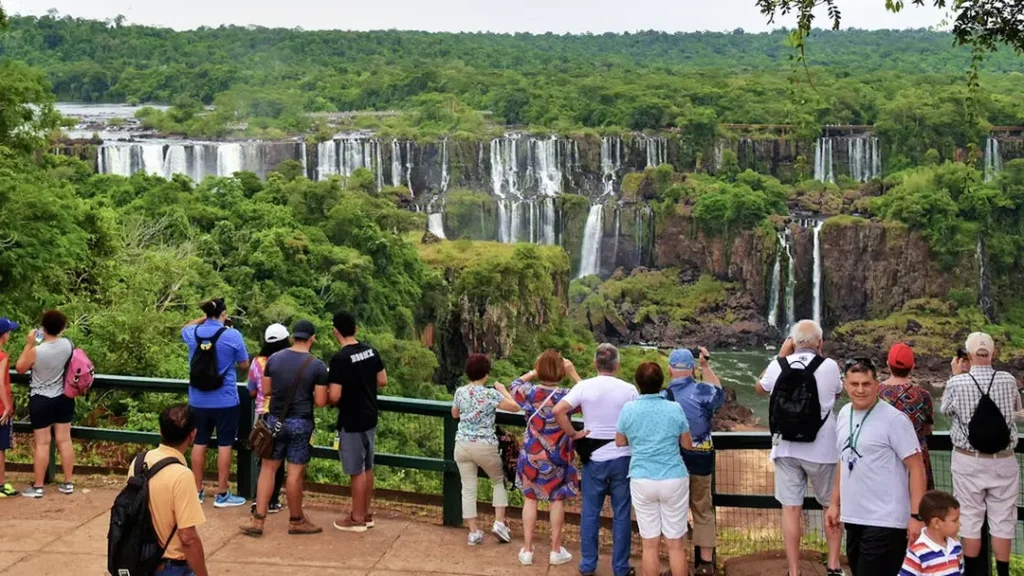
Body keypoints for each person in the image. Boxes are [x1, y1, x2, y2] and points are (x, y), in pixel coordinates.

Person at [755, 320, 843, 576]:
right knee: (831, 506)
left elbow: (760, 388)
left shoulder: (778, 365)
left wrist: (782, 355)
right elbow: (836, 393)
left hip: (786, 448)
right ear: (820, 343)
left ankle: (794, 571)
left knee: (791, 510)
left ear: (792, 342)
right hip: (823, 448)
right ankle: (834, 566)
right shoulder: (829, 366)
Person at [826, 358, 927, 576]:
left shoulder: (895, 420)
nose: (860, 390)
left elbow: (917, 467)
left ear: (877, 384)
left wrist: (916, 516)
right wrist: (834, 503)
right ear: (845, 384)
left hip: (886, 521)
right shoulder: (844, 414)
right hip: (854, 517)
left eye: (866, 384)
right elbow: (843, 459)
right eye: (854, 384)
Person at [552, 343, 638, 576]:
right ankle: (620, 567)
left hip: (594, 458)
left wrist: (573, 434)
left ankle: (588, 564)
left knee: (590, 512)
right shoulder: (629, 389)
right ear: (617, 365)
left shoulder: (585, 387)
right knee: (622, 513)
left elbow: (558, 410)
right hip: (622, 457)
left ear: (595, 364)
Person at [940, 332, 1020, 576]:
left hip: (968, 460)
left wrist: (956, 375)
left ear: (967, 355)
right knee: (1003, 520)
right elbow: (1017, 408)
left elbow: (945, 411)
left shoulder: (957, 382)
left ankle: (973, 573)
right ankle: (1003, 573)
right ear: (993, 354)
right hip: (1003, 460)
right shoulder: (1008, 380)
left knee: (971, 520)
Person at [241, 320, 329, 536]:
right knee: (295, 474)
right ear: (312, 338)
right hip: (301, 423)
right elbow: (320, 401)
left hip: (275, 422)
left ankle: (258, 521)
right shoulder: (316, 365)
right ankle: (296, 520)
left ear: (293, 338)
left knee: (268, 469)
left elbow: (268, 390)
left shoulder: (274, 360)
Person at [616, 362, 693, 576]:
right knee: (675, 543)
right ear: (661, 383)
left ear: (638, 383)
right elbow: (687, 444)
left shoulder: (629, 409)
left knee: (649, 544)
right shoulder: (674, 408)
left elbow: (620, 441)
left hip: (642, 478)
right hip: (673, 478)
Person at [507, 349, 580, 567]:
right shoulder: (567, 396)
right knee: (556, 500)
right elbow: (589, 396)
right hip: (559, 457)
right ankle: (555, 550)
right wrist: (574, 373)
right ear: (561, 371)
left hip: (531, 456)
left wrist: (532, 372)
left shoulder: (529, 393)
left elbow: (513, 385)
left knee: (530, 499)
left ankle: (528, 550)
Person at [181, 298, 250, 508]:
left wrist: (205, 318)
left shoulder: (192, 334)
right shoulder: (232, 335)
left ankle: (197, 490)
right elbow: (244, 364)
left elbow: (186, 327)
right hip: (225, 400)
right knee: (225, 444)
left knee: (199, 442)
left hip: (198, 400)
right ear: (224, 314)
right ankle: (222, 493)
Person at [662, 347, 723, 576]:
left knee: (674, 513)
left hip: (673, 460)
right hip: (701, 458)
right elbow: (719, 394)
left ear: (670, 369)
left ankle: (677, 564)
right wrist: (706, 366)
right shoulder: (702, 390)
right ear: (692, 368)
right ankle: (706, 565)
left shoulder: (663, 395)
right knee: (703, 510)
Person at [451, 353, 520, 545]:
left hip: (462, 445)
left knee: (468, 488)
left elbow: (454, 414)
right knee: (498, 481)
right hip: (485, 445)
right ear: (486, 373)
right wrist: (503, 390)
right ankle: (498, 522)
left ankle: (473, 532)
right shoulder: (491, 394)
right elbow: (515, 407)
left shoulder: (460, 392)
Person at [329, 311, 387, 532]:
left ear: (336, 332)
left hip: (351, 418)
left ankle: (357, 518)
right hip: (370, 415)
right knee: (368, 466)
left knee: (356, 470)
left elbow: (334, 396)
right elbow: (382, 380)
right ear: (356, 329)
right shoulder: (371, 351)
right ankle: (366, 513)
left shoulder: (340, 359)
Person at [138, 404, 209, 576]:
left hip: (140, 560)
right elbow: (187, 537)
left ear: (161, 432)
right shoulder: (182, 476)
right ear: (192, 435)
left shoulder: (140, 462)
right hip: (171, 566)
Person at [15, 310, 75, 498]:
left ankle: (39, 486)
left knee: (42, 443)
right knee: (64, 440)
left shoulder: (36, 351)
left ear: (43, 327)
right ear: (62, 328)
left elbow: (20, 368)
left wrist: (29, 344)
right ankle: (68, 482)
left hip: (41, 399)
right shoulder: (67, 345)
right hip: (63, 397)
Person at [247, 323, 291, 515]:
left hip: (261, 415)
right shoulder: (287, 361)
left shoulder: (257, 362)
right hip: (282, 413)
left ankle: (260, 500)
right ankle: (271, 500)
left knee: (265, 458)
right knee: (278, 459)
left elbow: (251, 390)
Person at [880, 343, 935, 490]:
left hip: (884, 457)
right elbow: (928, 427)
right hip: (916, 458)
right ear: (912, 366)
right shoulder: (923, 395)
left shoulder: (875, 393)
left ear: (888, 364)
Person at [900, 490, 964, 576]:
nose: (959, 524)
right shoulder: (917, 553)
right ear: (936, 523)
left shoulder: (956, 546)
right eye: (955, 520)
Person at [0, 318, 18, 497]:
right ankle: (0, 484)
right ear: (3, 335)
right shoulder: (2, 356)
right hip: (0, 408)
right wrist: (6, 406)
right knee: (0, 448)